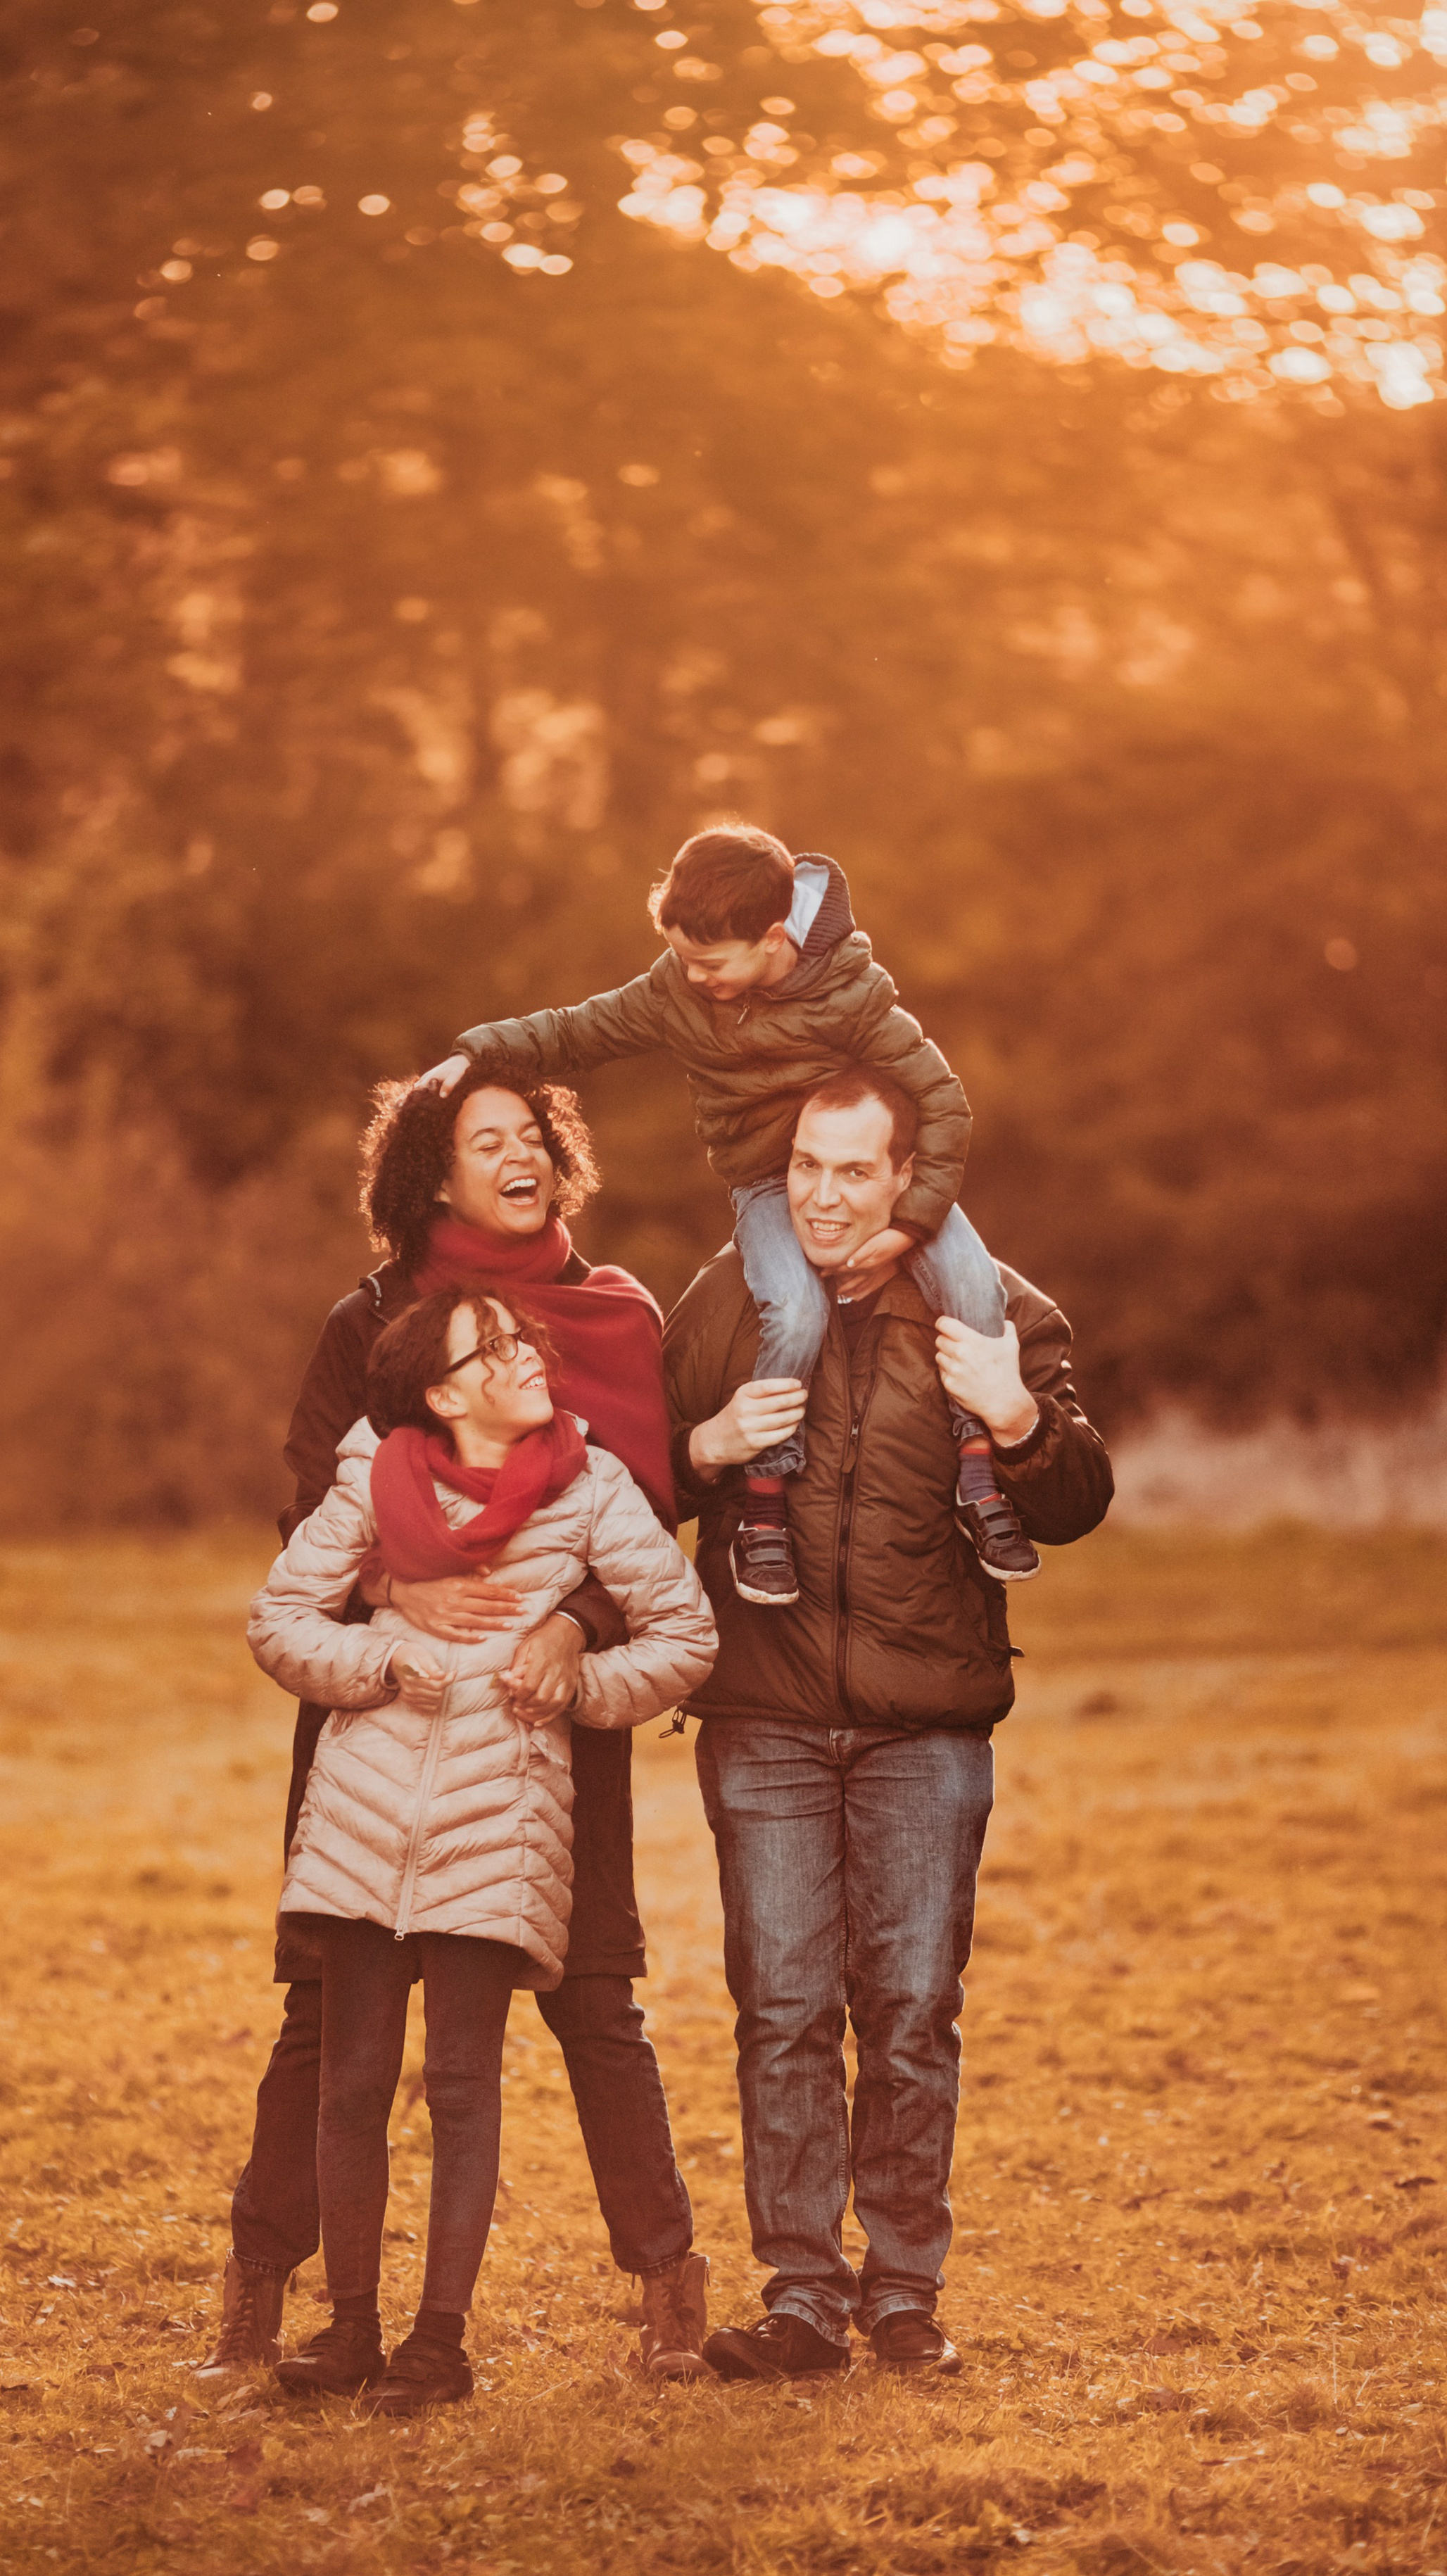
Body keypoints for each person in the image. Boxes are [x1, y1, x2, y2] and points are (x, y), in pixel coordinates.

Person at [204, 1061, 716, 2387]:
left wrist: (577, 1630)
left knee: (593, 1996)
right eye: (489, 1138)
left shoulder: (608, 1314)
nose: (522, 1152)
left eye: (536, 1132)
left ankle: (669, 2288)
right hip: (385, 1711)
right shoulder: (373, 1318)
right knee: (327, 2016)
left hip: (545, 1723)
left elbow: (645, 1518)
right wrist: (393, 1591)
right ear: (432, 1171)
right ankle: (262, 2293)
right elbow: (308, 1517)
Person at [662, 1063, 1113, 2381]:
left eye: (855, 1169)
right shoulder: (728, 1300)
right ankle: (802, 2294)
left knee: (911, 2007)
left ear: (908, 1176)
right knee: (783, 2006)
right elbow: (628, 1470)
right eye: (806, 1165)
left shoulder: (998, 1311)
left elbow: (1079, 1497)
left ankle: (904, 2291)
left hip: (930, 1726)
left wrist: (1018, 1416)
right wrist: (704, 1442)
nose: (823, 1194)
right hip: (765, 1719)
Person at [420, 819, 1041, 1606]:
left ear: (773, 937)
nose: (692, 974)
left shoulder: (851, 993)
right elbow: (576, 1030)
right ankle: (765, 1505)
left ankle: (979, 1480)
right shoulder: (676, 993)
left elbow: (944, 1105)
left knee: (975, 1291)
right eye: (681, 956)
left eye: (709, 962)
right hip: (765, 1184)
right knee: (795, 1313)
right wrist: (473, 1052)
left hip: (864, 1183)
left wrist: (909, 1223)